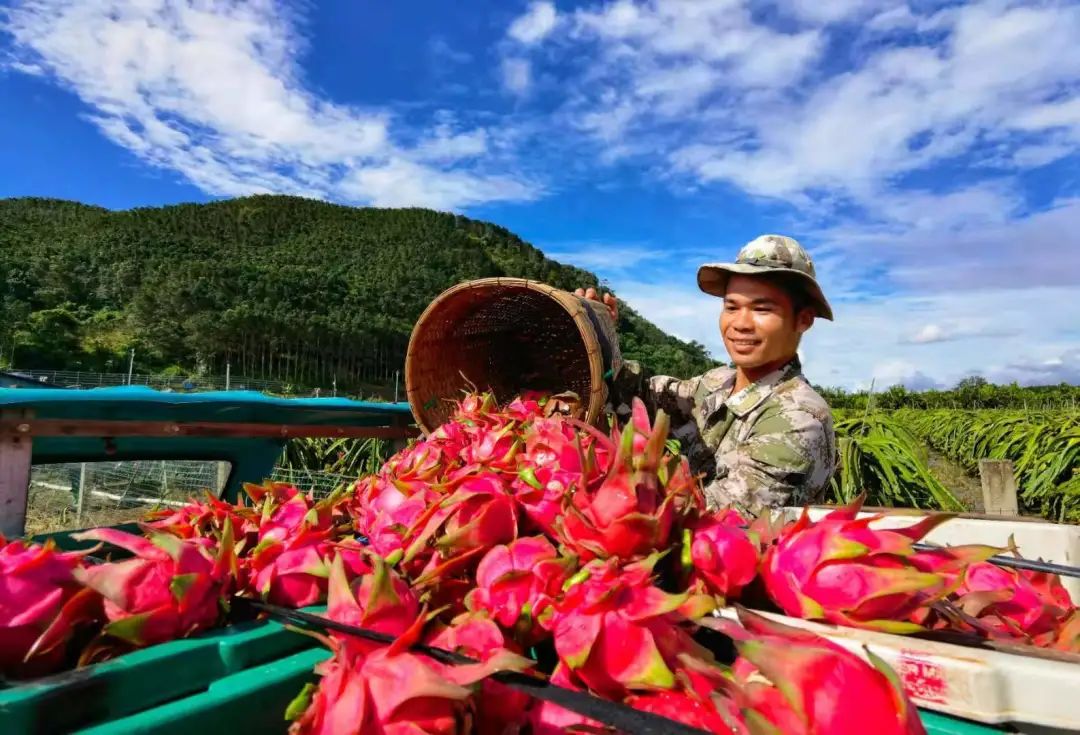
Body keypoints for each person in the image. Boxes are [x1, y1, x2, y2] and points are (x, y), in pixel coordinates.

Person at [576, 234, 837, 513]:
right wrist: (600, 337)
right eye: (731, 307)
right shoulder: (716, 384)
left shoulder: (799, 417)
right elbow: (638, 396)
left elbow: (716, 517)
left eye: (762, 309)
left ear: (803, 319)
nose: (740, 323)